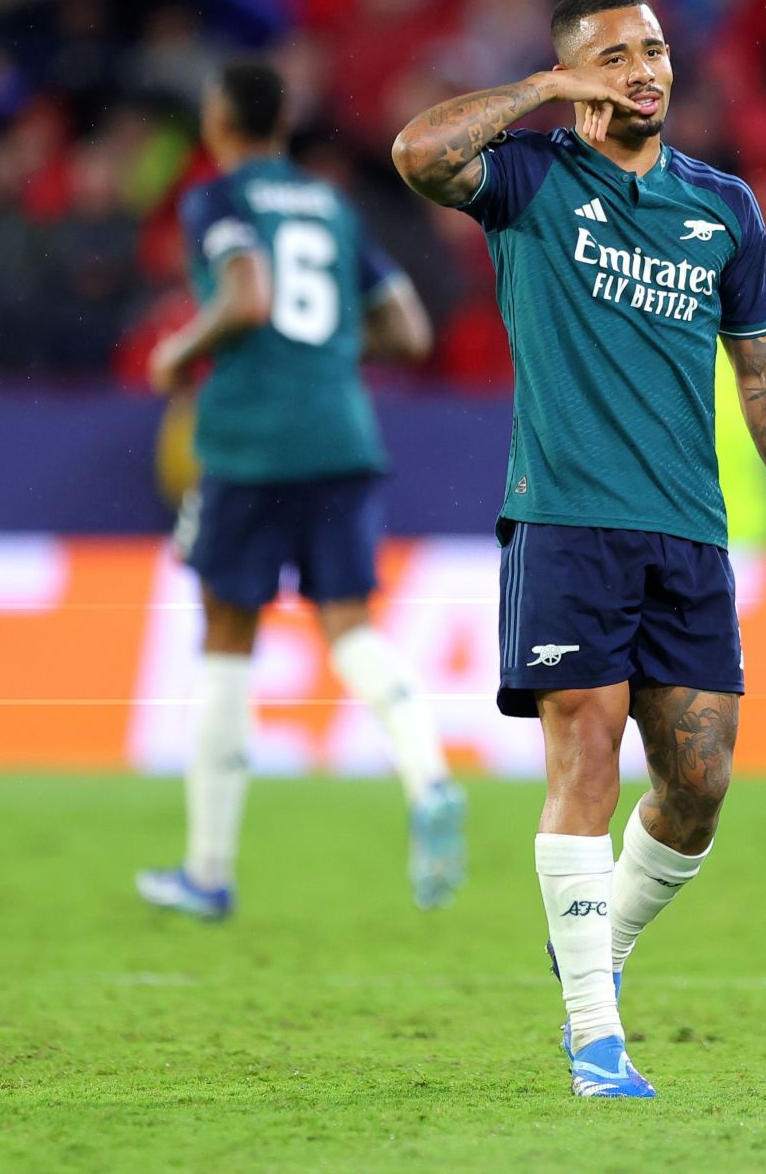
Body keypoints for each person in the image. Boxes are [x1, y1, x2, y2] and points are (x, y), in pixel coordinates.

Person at [391, 0, 766, 1099]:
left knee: (701, 783)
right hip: (566, 519)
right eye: (614, 55)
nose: (643, 68)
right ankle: (596, 1037)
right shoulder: (532, 179)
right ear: (579, 71)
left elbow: (764, 367)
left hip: (688, 531)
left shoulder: (721, 206)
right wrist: (545, 88)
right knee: (582, 761)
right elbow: (416, 153)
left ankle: (598, 941)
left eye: (654, 49)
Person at [136, 60, 465, 920]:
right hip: (342, 434)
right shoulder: (330, 204)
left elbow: (247, 296)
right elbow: (410, 329)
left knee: (226, 638)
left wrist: (180, 348)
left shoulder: (215, 198)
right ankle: (428, 776)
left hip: (250, 443)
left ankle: (208, 869)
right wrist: (324, 361)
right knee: (349, 625)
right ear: (285, 123)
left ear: (218, 117)